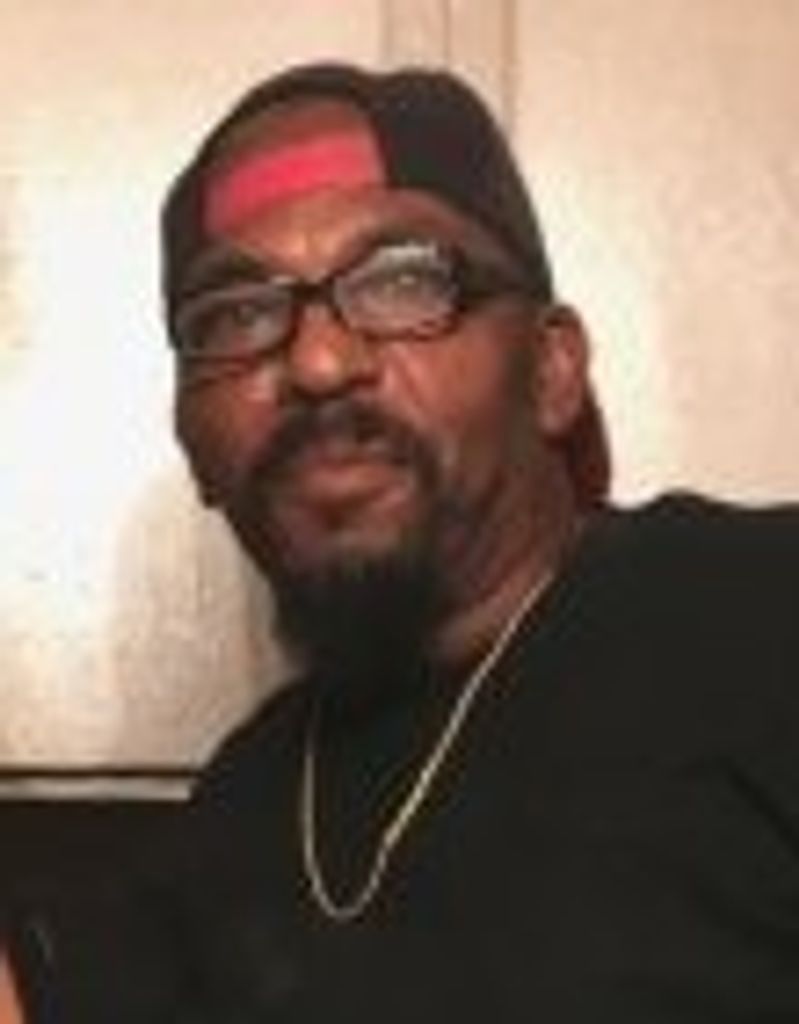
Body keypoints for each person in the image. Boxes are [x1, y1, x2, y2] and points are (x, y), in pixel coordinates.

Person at [3, 61, 799, 1023]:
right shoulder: (238, 816)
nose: (317, 362)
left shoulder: (760, 617)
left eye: (402, 281)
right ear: (194, 445)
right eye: (237, 314)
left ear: (551, 370)